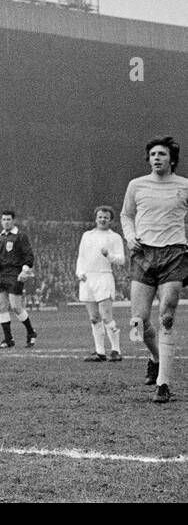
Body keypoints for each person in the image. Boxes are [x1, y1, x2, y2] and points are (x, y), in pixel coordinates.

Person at [121, 137, 188, 403]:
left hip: (174, 253)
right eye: (152, 154)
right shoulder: (136, 185)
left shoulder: (184, 186)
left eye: (161, 154)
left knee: (167, 315)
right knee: (138, 322)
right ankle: (156, 357)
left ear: (172, 159)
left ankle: (164, 383)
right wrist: (130, 236)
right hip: (143, 254)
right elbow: (126, 214)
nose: (156, 158)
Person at [75, 206, 125, 362]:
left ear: (110, 220)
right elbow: (81, 257)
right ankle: (100, 352)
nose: (102, 219)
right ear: (95, 218)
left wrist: (108, 255)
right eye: (100, 217)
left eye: (106, 217)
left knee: (106, 316)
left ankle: (116, 350)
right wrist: (79, 272)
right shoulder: (87, 235)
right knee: (94, 317)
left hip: (104, 277)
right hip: (87, 278)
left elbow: (121, 260)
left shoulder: (114, 237)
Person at [0, 209, 38, 348]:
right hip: (1, 274)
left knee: (16, 306)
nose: (6, 222)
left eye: (8, 219)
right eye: (4, 219)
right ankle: (8, 339)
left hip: (15, 274)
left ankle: (31, 332)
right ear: (1, 221)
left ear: (13, 221)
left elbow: (29, 256)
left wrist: (25, 270)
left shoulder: (20, 236)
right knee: (0, 305)